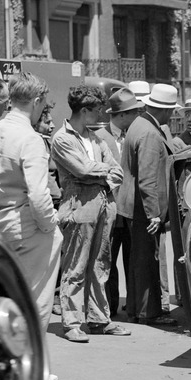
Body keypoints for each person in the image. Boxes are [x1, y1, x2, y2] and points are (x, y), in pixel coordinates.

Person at [0, 71, 63, 333]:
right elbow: (38, 194)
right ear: (36, 101)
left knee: (7, 299)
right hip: (30, 226)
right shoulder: (31, 139)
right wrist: (49, 225)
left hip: (1, 222)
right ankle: (32, 364)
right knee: (35, 300)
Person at [50, 85, 130, 342]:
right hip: (78, 208)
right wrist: (100, 172)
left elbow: (117, 172)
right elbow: (82, 169)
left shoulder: (95, 139)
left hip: (104, 206)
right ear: (84, 111)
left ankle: (98, 318)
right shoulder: (62, 138)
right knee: (76, 265)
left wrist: (99, 173)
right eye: (97, 111)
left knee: (100, 265)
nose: (100, 116)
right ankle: (72, 321)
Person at [117, 82, 179, 326]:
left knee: (138, 261)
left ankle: (136, 310)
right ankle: (147, 313)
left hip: (135, 206)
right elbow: (147, 178)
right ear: (165, 111)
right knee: (147, 262)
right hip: (143, 208)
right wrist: (154, 214)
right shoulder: (150, 133)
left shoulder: (139, 125)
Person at [95, 88, 142, 318]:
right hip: (111, 209)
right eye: (132, 112)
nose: (135, 117)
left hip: (130, 210)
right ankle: (109, 308)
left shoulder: (132, 135)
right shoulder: (99, 138)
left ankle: (132, 306)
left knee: (132, 260)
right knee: (108, 260)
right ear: (122, 114)